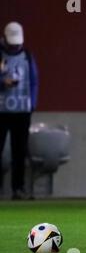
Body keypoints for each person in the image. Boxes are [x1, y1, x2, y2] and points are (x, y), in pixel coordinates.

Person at [0, 22, 38, 200]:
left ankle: (18, 188)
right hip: (1, 110)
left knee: (19, 151)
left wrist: (32, 104)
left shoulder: (27, 56)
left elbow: (34, 81)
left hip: (22, 110)